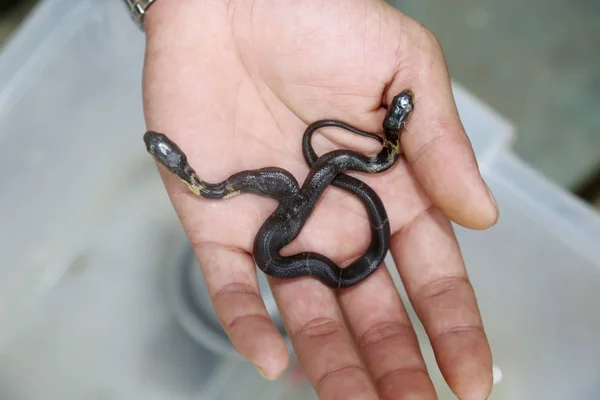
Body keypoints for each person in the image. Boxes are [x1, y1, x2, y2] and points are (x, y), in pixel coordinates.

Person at [140, 1, 499, 399]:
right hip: (292, 195)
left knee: (283, 188)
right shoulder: (277, 211)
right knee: (278, 191)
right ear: (174, 158)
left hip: (307, 183)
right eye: (162, 149)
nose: (158, 143)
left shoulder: (370, 159)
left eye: (401, 112)